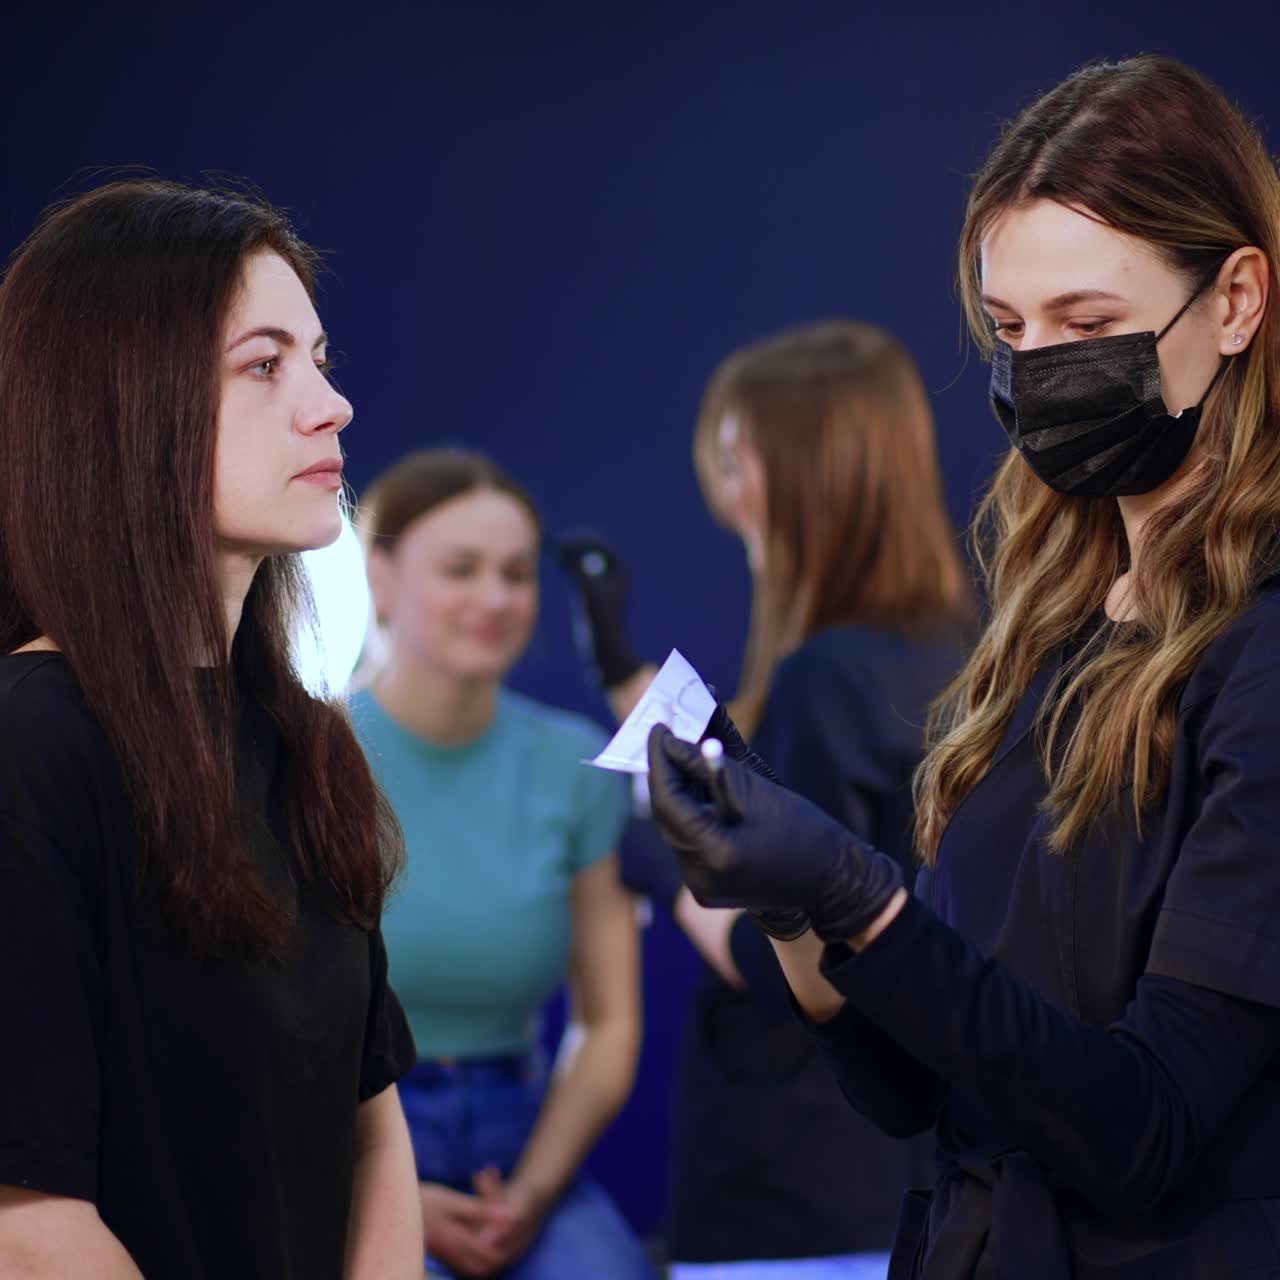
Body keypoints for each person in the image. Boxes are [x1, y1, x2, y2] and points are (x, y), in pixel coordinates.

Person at [644, 54, 1280, 1279]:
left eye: (1086, 325)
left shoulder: (1257, 650)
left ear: (1237, 299)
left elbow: (1142, 1128)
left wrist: (857, 899)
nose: (1037, 368)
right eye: (1008, 328)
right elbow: (918, 1087)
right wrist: (795, 915)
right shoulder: (1051, 629)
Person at [0, 180, 421, 1278]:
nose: (330, 405)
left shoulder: (307, 745)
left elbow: (372, 1131)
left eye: (319, 359)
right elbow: (28, 1222)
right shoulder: (31, 745)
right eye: (265, 364)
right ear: (124, 403)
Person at [562, 320, 972, 1276]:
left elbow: (789, 951)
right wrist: (629, 677)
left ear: (811, 475)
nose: (725, 494)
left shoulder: (826, 681)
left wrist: (665, 867)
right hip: (911, 1182)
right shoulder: (958, 659)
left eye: (741, 462)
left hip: (798, 1197)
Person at [351, 448, 655, 1280]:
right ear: (380, 577)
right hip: (347, 1140)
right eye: (461, 569)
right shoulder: (311, 756)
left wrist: (531, 1191)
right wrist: (381, 1186)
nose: (494, 598)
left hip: (520, 1145)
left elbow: (609, 1023)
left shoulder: (574, 762)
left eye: (517, 574)